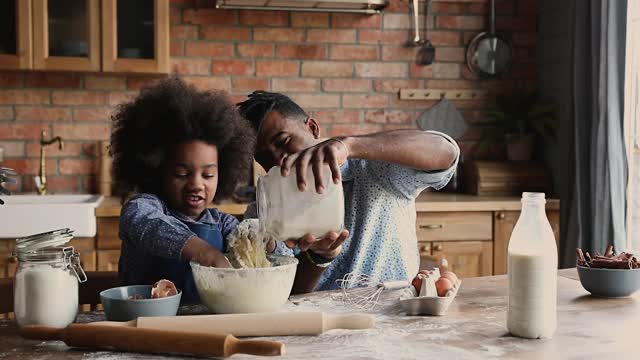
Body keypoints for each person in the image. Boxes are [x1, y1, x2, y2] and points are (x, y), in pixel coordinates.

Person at [110, 78, 338, 302]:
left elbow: (250, 237)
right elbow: (145, 223)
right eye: (182, 174)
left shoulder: (221, 223)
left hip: (206, 326)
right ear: (156, 170)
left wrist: (268, 237)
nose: (197, 184)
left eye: (208, 174)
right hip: (143, 324)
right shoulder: (144, 208)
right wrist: (205, 253)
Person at [238, 91, 460, 291]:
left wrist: (349, 145)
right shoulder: (265, 215)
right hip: (319, 326)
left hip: (394, 314)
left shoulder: (373, 169)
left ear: (312, 128)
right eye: (265, 159)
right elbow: (284, 293)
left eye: (285, 142)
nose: (280, 160)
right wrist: (319, 257)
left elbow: (446, 153)